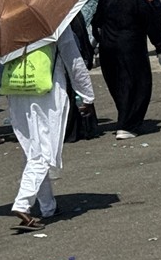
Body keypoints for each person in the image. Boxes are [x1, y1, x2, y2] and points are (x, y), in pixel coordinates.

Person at [7, 24, 96, 231]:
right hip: (47, 91)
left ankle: (48, 206)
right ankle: (22, 204)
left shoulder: (9, 24)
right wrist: (87, 95)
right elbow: (73, 61)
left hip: (18, 90)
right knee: (45, 151)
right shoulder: (54, 22)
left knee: (32, 150)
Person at [90, 0, 161, 139]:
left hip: (108, 49)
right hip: (132, 49)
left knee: (118, 85)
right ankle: (128, 124)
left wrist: (102, 40)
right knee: (138, 84)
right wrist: (159, 46)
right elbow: (151, 23)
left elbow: (95, 23)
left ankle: (124, 118)